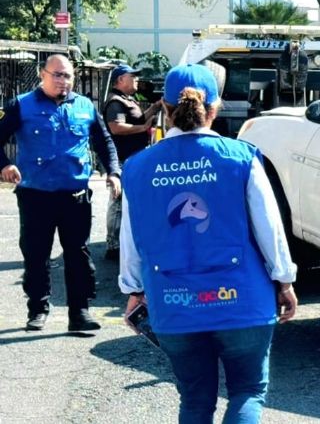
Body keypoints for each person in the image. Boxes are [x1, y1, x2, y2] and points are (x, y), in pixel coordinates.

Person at [118, 63, 298, 423]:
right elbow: (269, 227)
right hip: (242, 299)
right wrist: (284, 279)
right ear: (214, 110)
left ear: (164, 110)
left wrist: (133, 290)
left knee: (195, 399)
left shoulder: (137, 168)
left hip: (173, 303)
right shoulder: (241, 158)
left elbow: (132, 239)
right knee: (247, 391)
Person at [0, 54, 121, 332]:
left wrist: (113, 172)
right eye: (56, 75)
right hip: (35, 195)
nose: (62, 81)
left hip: (75, 196)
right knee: (36, 253)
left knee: (78, 254)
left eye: (67, 76)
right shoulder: (21, 105)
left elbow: (105, 143)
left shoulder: (85, 107)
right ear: (42, 74)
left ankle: (79, 312)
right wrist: (5, 165)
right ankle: (37, 308)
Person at [102, 64, 162, 260]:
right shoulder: (115, 102)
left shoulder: (128, 100)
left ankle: (122, 241)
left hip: (133, 158)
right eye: (132, 76)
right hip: (122, 158)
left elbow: (137, 120)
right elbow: (116, 127)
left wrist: (155, 107)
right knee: (118, 201)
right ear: (120, 80)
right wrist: (143, 128)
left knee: (128, 200)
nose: (136, 79)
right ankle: (113, 245)